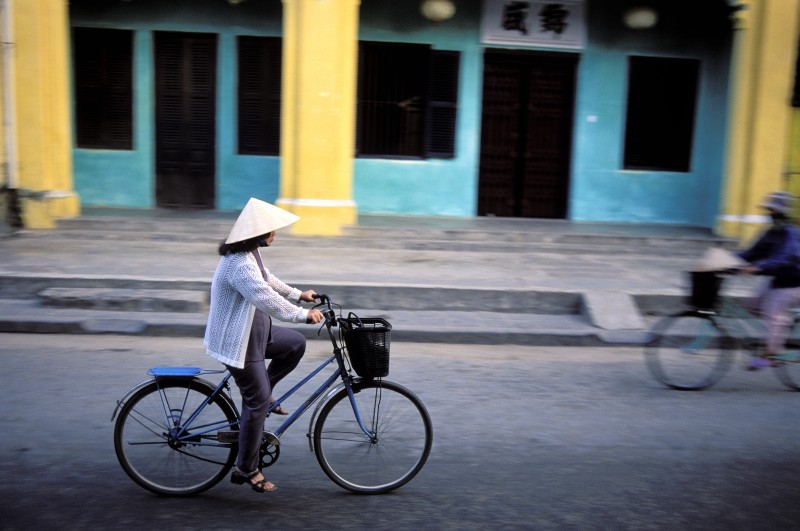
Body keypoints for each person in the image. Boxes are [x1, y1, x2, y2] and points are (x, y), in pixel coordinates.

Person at [204, 198, 324, 493]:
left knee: (294, 345)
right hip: (237, 342)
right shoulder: (239, 264)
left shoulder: (249, 253)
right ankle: (246, 467)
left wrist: (299, 294)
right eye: (271, 230)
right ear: (257, 233)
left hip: (256, 334)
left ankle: (263, 392)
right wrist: (302, 314)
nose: (275, 234)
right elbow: (264, 297)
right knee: (256, 402)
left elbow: (269, 280)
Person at [737, 191, 800, 370]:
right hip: (778, 280)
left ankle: (772, 355)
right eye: (770, 210)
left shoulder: (790, 232)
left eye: (775, 211)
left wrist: (759, 267)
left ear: (784, 213)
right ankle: (778, 331)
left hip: (793, 283)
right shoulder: (772, 232)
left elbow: (784, 258)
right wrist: (728, 260)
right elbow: (752, 252)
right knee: (752, 306)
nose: (772, 214)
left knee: (773, 314)